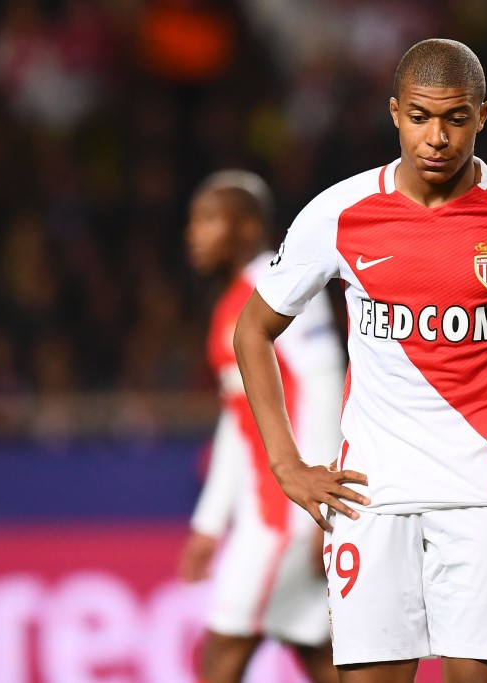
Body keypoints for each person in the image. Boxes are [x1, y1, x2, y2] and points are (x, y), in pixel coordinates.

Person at [233, 38, 487, 683]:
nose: (437, 138)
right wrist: (287, 464)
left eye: (456, 118)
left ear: (482, 117)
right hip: (370, 498)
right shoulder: (339, 214)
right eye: (421, 117)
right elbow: (254, 329)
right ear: (394, 113)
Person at [178, 170, 343, 683]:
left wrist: (323, 510)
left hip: (287, 513)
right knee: (317, 651)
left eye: (209, 218)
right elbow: (239, 417)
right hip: (266, 509)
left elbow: (325, 388)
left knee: (223, 650)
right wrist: (211, 521)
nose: (194, 233)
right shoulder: (234, 300)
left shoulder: (285, 287)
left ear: (248, 227)